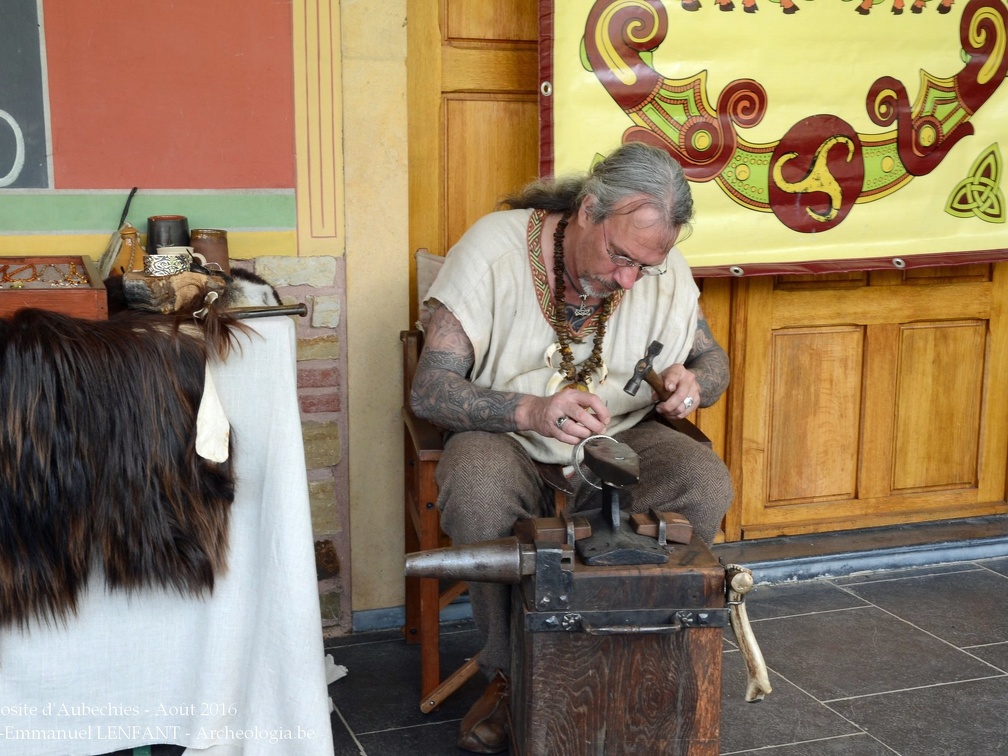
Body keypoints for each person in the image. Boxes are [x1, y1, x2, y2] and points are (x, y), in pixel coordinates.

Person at [410, 142, 733, 754]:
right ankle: (512, 677)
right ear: (588, 210)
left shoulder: (657, 271)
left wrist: (694, 387)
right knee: (477, 486)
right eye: (620, 257)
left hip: (621, 439)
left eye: (646, 266)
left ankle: (637, 660)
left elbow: (710, 360)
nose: (629, 279)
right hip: (506, 436)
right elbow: (429, 390)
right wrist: (529, 409)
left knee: (703, 482)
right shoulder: (494, 250)